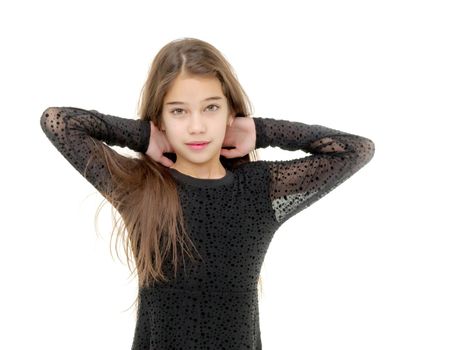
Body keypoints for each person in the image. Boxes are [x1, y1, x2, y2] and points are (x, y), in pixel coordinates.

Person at [40, 37, 375, 350]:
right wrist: (144, 136)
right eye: (178, 111)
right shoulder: (140, 187)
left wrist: (261, 130)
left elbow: (355, 150)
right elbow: (58, 122)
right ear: (161, 118)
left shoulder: (260, 189)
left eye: (211, 108)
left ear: (231, 112)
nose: (196, 126)